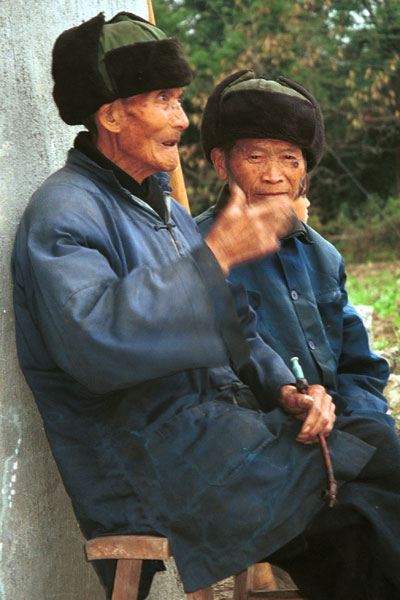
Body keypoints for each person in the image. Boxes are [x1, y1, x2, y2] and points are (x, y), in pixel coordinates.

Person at [11, 15, 400, 600]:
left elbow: (236, 324)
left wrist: (284, 390)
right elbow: (94, 346)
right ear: (112, 114)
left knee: (379, 449)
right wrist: (215, 253)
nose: (182, 119)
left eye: (180, 100)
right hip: (149, 466)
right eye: (165, 100)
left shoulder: (157, 208)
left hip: (221, 440)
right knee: (363, 522)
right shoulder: (64, 214)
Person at [196, 69, 393, 430]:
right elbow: (210, 381)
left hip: (339, 429)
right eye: (256, 157)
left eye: (290, 159)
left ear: (305, 172)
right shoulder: (197, 250)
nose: (274, 175)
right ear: (221, 163)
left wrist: (359, 420)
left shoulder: (323, 256)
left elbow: (360, 368)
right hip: (256, 439)